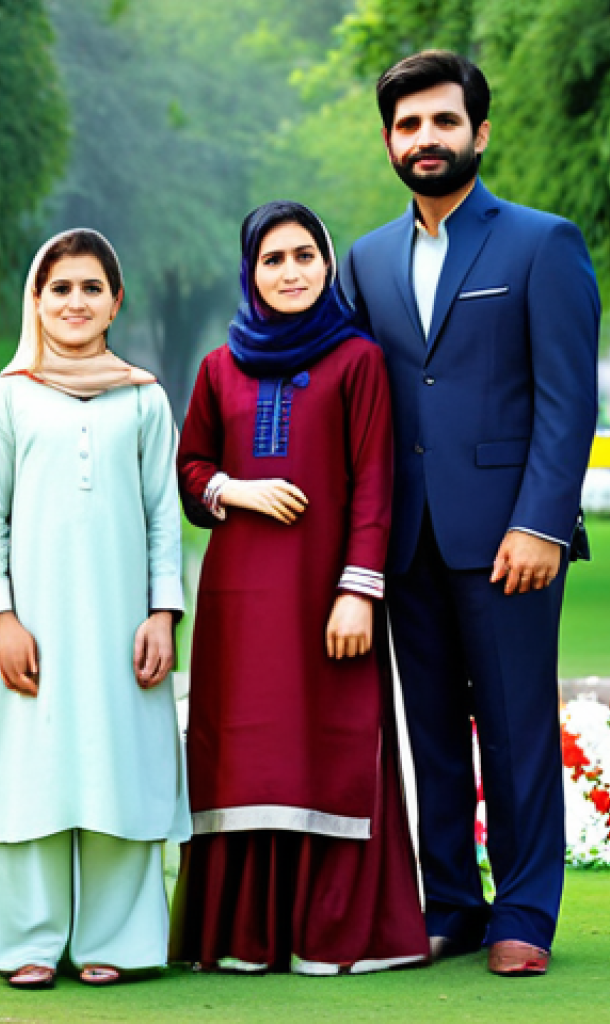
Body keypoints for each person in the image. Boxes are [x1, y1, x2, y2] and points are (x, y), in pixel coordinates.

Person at [340, 51, 600, 977]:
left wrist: (540, 521)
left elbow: (570, 401)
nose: (425, 140)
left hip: (509, 541)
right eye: (408, 127)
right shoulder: (363, 260)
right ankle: (450, 904)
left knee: (518, 728)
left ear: (478, 134)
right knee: (433, 734)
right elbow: (353, 396)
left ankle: (526, 913)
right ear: (389, 142)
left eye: (443, 123)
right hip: (406, 537)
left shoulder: (543, 243)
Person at [171, 200, 429, 975]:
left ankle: (331, 935)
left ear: (327, 264)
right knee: (243, 755)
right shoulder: (221, 365)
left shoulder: (357, 360)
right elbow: (188, 474)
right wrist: (236, 490)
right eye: (272, 259)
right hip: (239, 603)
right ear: (249, 271)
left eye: (305, 256)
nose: (290, 272)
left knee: (329, 744)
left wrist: (359, 591)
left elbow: (376, 484)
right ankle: (243, 935)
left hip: (326, 596)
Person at [0, 229, 189, 989]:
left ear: (116, 302)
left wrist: (163, 613)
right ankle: (25, 939)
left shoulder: (145, 398)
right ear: (37, 299)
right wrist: (2, 619)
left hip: (124, 625)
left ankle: (114, 941)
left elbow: (163, 515)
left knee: (119, 764)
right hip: (36, 627)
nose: (76, 302)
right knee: (33, 766)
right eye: (60, 288)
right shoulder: (7, 397)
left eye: (92, 287)